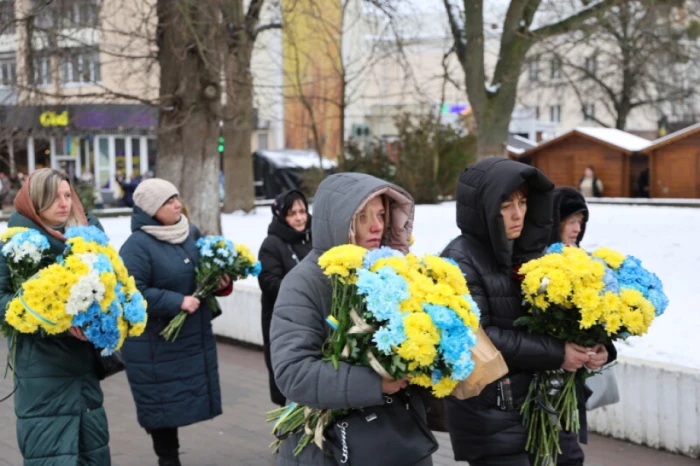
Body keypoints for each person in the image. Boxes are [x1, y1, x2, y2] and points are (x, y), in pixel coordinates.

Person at [270, 173, 433, 466]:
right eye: (361, 217)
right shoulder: (305, 282)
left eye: (382, 214)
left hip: (397, 439)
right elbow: (293, 372)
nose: (377, 226)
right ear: (337, 219)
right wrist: (376, 382)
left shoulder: (395, 273)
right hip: (330, 447)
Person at [441, 158, 595, 466]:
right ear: (483, 207)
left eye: (523, 202)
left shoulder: (534, 252)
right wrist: (557, 353)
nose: (517, 214)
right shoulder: (459, 260)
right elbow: (481, 338)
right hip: (492, 419)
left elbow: (561, 318)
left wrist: (598, 347)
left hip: (544, 408)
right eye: (505, 204)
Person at [0, 168, 110, 465]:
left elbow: (117, 286)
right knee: (51, 454)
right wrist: (54, 316)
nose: (64, 203)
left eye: (67, 195)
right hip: (43, 373)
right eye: (53, 197)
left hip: (84, 371)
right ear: (35, 202)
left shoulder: (87, 240)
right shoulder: (14, 245)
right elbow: (2, 302)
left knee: (93, 454)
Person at [119, 179, 233, 466]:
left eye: (176, 198)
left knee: (179, 399)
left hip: (189, 338)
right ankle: (168, 460)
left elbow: (200, 273)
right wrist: (176, 302)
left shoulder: (189, 232)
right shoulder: (136, 246)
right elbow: (131, 293)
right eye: (168, 201)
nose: (176, 205)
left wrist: (218, 282)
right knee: (161, 406)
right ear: (150, 209)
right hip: (155, 345)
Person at [549, 186, 617, 466]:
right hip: (544, 387)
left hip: (571, 386)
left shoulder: (587, 266)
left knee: (569, 454)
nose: (577, 228)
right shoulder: (533, 265)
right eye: (571, 221)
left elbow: (599, 325)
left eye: (581, 221)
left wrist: (605, 350)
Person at [258, 189, 312, 407]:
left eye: (302, 211)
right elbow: (269, 282)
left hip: (313, 322)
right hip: (284, 325)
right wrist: (304, 292)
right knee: (291, 387)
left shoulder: (314, 237)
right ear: (281, 216)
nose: (299, 218)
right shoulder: (272, 244)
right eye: (292, 213)